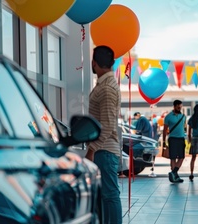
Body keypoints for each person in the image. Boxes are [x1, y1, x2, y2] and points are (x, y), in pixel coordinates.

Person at [84, 46, 122, 224]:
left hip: (104, 151)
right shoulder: (105, 85)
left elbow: (107, 125)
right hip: (104, 150)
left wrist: (91, 150)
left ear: (94, 63)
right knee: (105, 197)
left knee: (109, 196)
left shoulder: (107, 88)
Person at [163, 100, 187, 183]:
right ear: (174, 106)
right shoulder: (168, 117)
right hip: (172, 139)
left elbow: (183, 127)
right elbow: (165, 130)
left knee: (181, 157)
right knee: (173, 158)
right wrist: (163, 141)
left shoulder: (183, 116)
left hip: (181, 139)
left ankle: (173, 173)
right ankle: (175, 176)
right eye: (178, 107)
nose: (179, 108)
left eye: (180, 107)